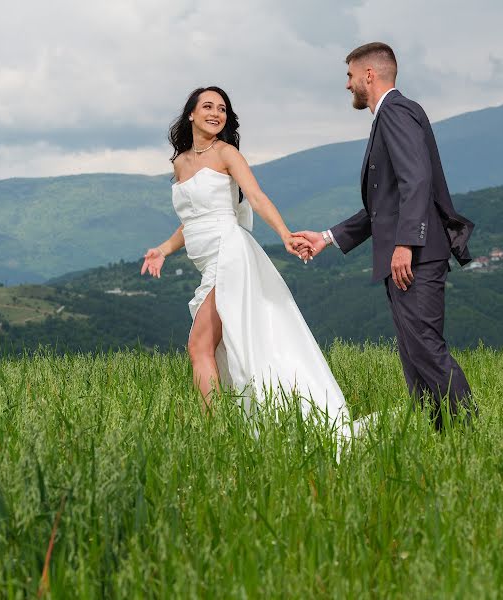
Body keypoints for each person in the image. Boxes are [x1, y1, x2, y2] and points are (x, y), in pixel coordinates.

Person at [141, 86, 354, 433]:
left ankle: (215, 430)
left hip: (231, 255)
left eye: (222, 109)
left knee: (199, 344)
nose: (216, 113)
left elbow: (254, 197)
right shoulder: (180, 163)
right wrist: (163, 250)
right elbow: (192, 220)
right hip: (206, 263)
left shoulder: (226, 154)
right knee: (221, 346)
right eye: (207, 106)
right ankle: (237, 421)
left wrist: (285, 234)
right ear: (191, 114)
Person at [295, 42, 477, 429]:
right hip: (411, 256)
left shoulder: (395, 111)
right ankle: (440, 436)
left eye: (349, 76)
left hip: (417, 257)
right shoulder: (392, 115)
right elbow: (384, 206)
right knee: (414, 356)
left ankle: (468, 433)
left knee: (425, 349)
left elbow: (417, 181)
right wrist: (326, 237)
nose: (347, 86)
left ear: (369, 75)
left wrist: (405, 245)